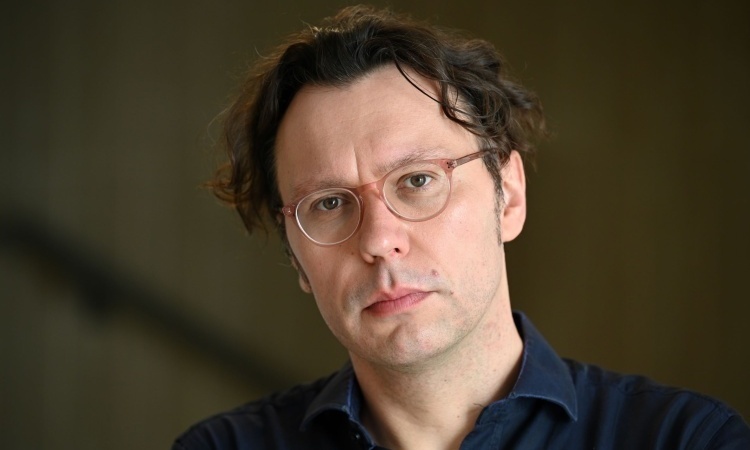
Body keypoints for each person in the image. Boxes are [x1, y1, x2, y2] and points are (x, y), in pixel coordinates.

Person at [173, 5, 749, 449]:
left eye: (418, 180)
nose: (378, 240)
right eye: (328, 203)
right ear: (297, 258)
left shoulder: (687, 440)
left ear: (509, 196)